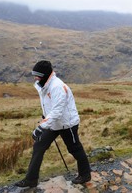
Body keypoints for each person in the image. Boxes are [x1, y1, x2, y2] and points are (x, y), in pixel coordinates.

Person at [15, 60, 91, 188]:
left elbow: (57, 111)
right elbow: (50, 106)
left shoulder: (57, 87)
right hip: (53, 123)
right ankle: (31, 179)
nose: (35, 78)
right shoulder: (43, 84)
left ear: (45, 75)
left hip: (67, 124)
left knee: (75, 149)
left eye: (37, 75)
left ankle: (85, 175)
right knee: (39, 146)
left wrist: (41, 126)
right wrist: (46, 117)